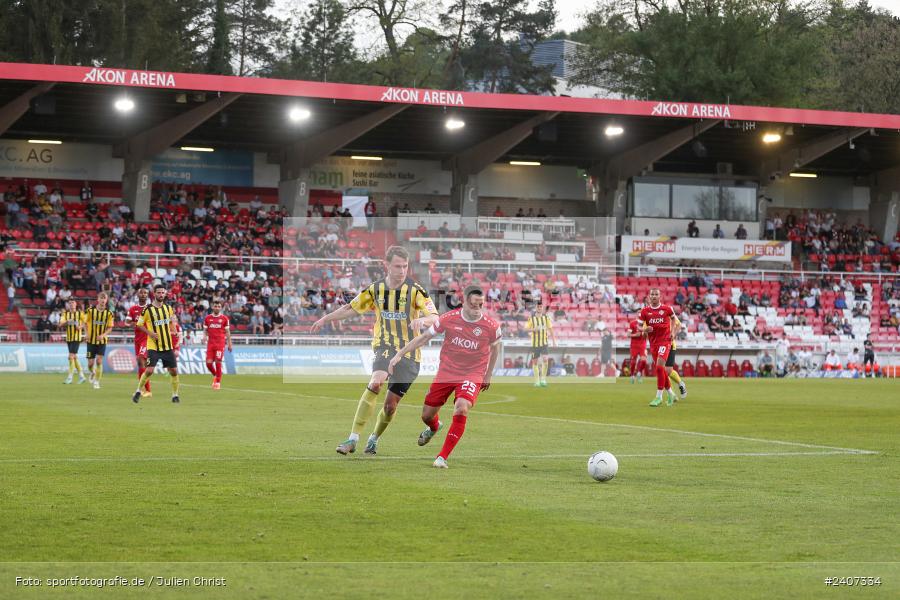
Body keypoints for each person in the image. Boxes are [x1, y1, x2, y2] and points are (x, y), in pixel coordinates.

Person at [311, 246, 439, 456]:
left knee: (390, 406)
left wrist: (423, 320)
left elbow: (435, 317)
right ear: (386, 265)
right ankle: (352, 439)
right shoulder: (375, 289)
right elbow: (351, 308)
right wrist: (326, 318)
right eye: (397, 266)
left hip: (409, 353)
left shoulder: (416, 290)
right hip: (385, 346)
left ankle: (374, 439)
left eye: (405, 266)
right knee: (376, 382)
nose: (401, 270)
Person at [388, 286, 502, 469]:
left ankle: (442, 457)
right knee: (426, 415)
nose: (477, 308)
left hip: (472, 373)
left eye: (480, 305)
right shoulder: (448, 319)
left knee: (462, 407)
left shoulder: (491, 326)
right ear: (464, 301)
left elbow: (496, 347)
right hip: (447, 372)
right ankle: (434, 427)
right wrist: (400, 353)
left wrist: (488, 374)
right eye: (473, 304)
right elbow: (424, 338)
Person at [132, 285, 180, 404]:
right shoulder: (147, 310)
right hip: (153, 345)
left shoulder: (168, 308)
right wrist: (150, 333)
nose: (161, 295)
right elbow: (139, 324)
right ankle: (138, 391)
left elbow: (170, 322)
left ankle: (175, 395)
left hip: (167, 345)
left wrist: (174, 331)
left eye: (163, 293)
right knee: (149, 370)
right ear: (154, 294)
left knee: (173, 371)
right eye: (159, 292)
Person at [639, 288, 677, 407]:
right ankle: (671, 393)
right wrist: (645, 329)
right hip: (653, 344)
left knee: (659, 367)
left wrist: (673, 333)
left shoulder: (667, 309)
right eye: (652, 294)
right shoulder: (645, 311)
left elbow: (674, 321)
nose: (654, 296)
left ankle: (658, 397)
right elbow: (640, 329)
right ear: (649, 297)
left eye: (656, 294)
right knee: (661, 370)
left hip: (665, 341)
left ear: (660, 296)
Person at [83, 292, 114, 390]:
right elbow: (84, 323)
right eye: (101, 298)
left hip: (102, 341)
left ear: (106, 300)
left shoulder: (109, 313)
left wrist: (103, 335)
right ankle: (92, 372)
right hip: (91, 341)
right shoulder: (90, 311)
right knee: (90, 364)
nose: (103, 300)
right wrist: (87, 334)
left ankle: (96, 382)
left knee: (99, 361)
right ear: (98, 299)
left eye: (104, 298)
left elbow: (110, 328)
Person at [125, 287, 152, 398]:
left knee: (141, 360)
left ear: (147, 295)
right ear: (138, 295)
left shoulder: (151, 309)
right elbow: (126, 322)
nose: (143, 294)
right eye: (141, 293)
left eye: (145, 293)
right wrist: (130, 324)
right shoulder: (133, 309)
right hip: (137, 339)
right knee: (141, 364)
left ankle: (143, 390)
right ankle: (146, 390)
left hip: (147, 339)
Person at [203, 299, 233, 390]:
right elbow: (205, 330)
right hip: (210, 344)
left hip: (220, 344)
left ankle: (217, 382)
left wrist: (229, 343)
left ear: (221, 308)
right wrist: (204, 336)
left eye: (218, 306)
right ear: (212, 307)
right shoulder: (207, 318)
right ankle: (216, 375)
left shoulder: (224, 319)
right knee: (208, 363)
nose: (217, 308)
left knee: (218, 361)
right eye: (215, 306)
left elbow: (227, 332)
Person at [525, 303, 556, 387]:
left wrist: (554, 341)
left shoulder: (546, 318)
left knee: (545, 359)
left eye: (540, 307)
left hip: (544, 343)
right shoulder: (531, 318)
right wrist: (533, 329)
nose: (539, 308)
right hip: (535, 344)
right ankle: (537, 381)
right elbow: (526, 329)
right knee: (535, 362)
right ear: (536, 308)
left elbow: (551, 329)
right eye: (538, 307)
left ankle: (543, 379)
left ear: (542, 308)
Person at [59, 299, 86, 385]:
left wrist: (80, 327)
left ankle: (70, 377)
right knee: (74, 357)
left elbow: (86, 322)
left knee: (70, 356)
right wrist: (67, 322)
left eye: (73, 302)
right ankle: (82, 376)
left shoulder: (80, 313)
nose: (71, 304)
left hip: (77, 338)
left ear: (76, 304)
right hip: (69, 338)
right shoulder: (65, 314)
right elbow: (60, 324)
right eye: (70, 303)